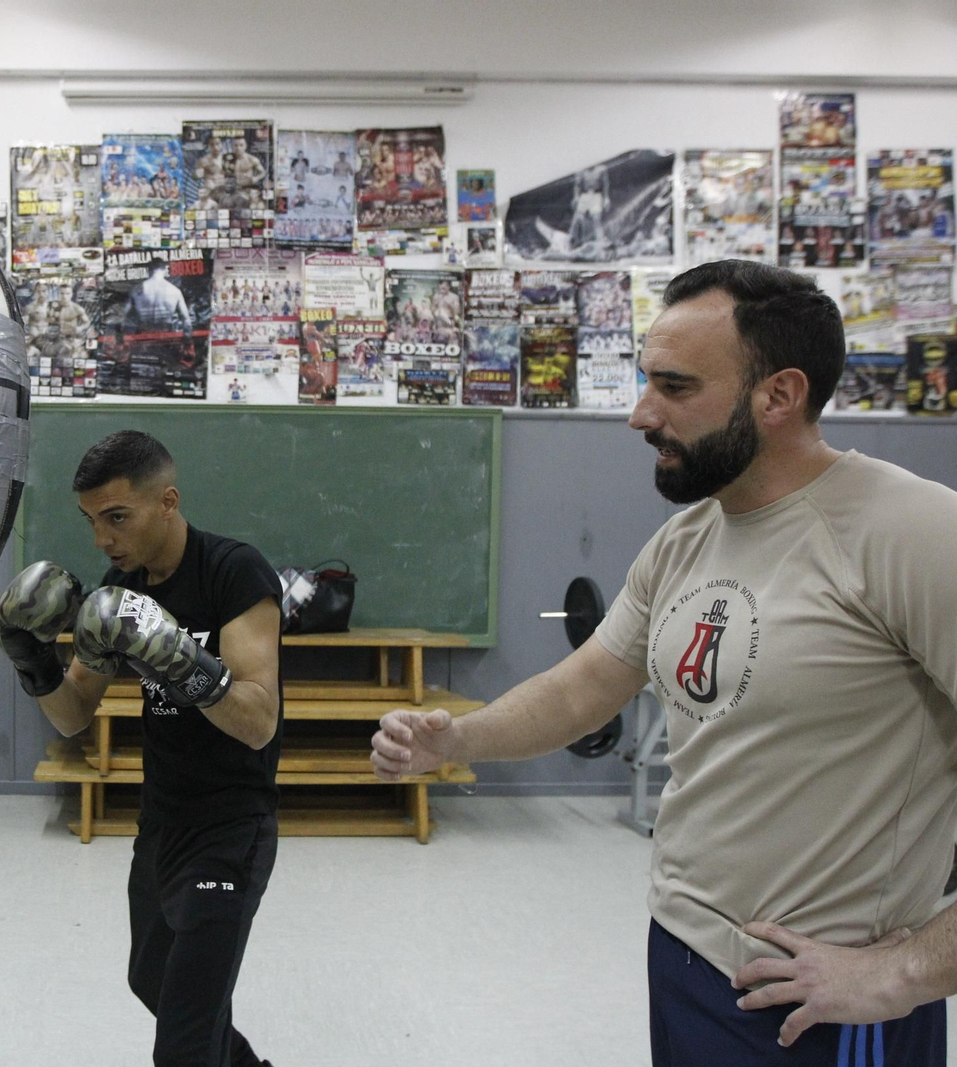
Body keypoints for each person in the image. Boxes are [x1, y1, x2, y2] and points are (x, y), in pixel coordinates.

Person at [371, 259, 957, 1065]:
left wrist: (904, 973)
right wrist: (455, 740)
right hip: (685, 956)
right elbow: (586, 685)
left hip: (819, 999)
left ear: (779, 396)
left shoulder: (914, 532)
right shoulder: (688, 539)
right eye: (647, 382)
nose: (641, 414)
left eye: (675, 388)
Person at [0, 430, 283, 1067]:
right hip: (161, 825)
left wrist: (181, 659)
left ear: (167, 502)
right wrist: (30, 657)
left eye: (117, 518)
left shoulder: (235, 573)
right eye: (92, 521)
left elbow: (259, 721)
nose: (102, 539)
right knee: (151, 982)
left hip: (231, 830)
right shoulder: (118, 590)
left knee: (183, 1040)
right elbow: (72, 714)